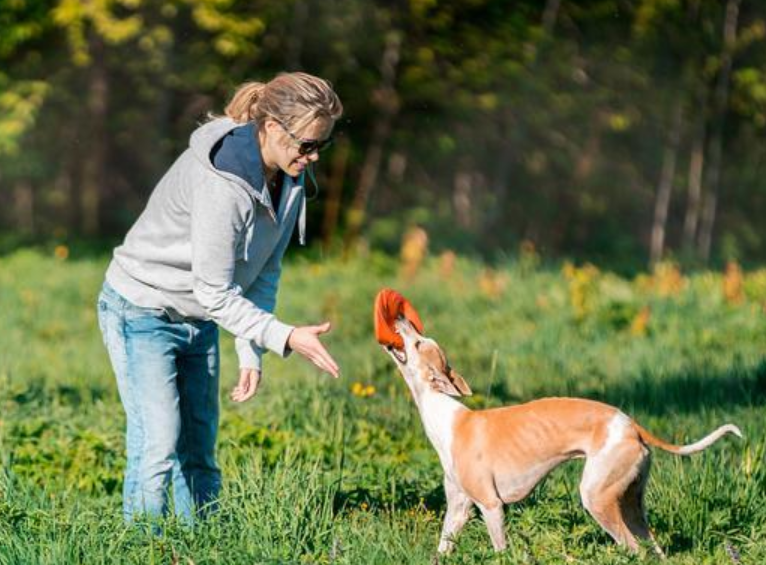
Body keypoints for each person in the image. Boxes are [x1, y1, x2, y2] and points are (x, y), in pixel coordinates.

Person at [96, 72, 342, 524]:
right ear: (269, 128)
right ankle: (144, 552)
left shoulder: (287, 180)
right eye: (305, 145)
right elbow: (213, 289)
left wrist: (251, 351)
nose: (311, 158)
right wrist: (284, 337)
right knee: (158, 445)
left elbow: (262, 272)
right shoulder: (223, 183)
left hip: (201, 317)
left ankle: (204, 544)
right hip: (143, 310)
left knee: (200, 446)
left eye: (320, 147)